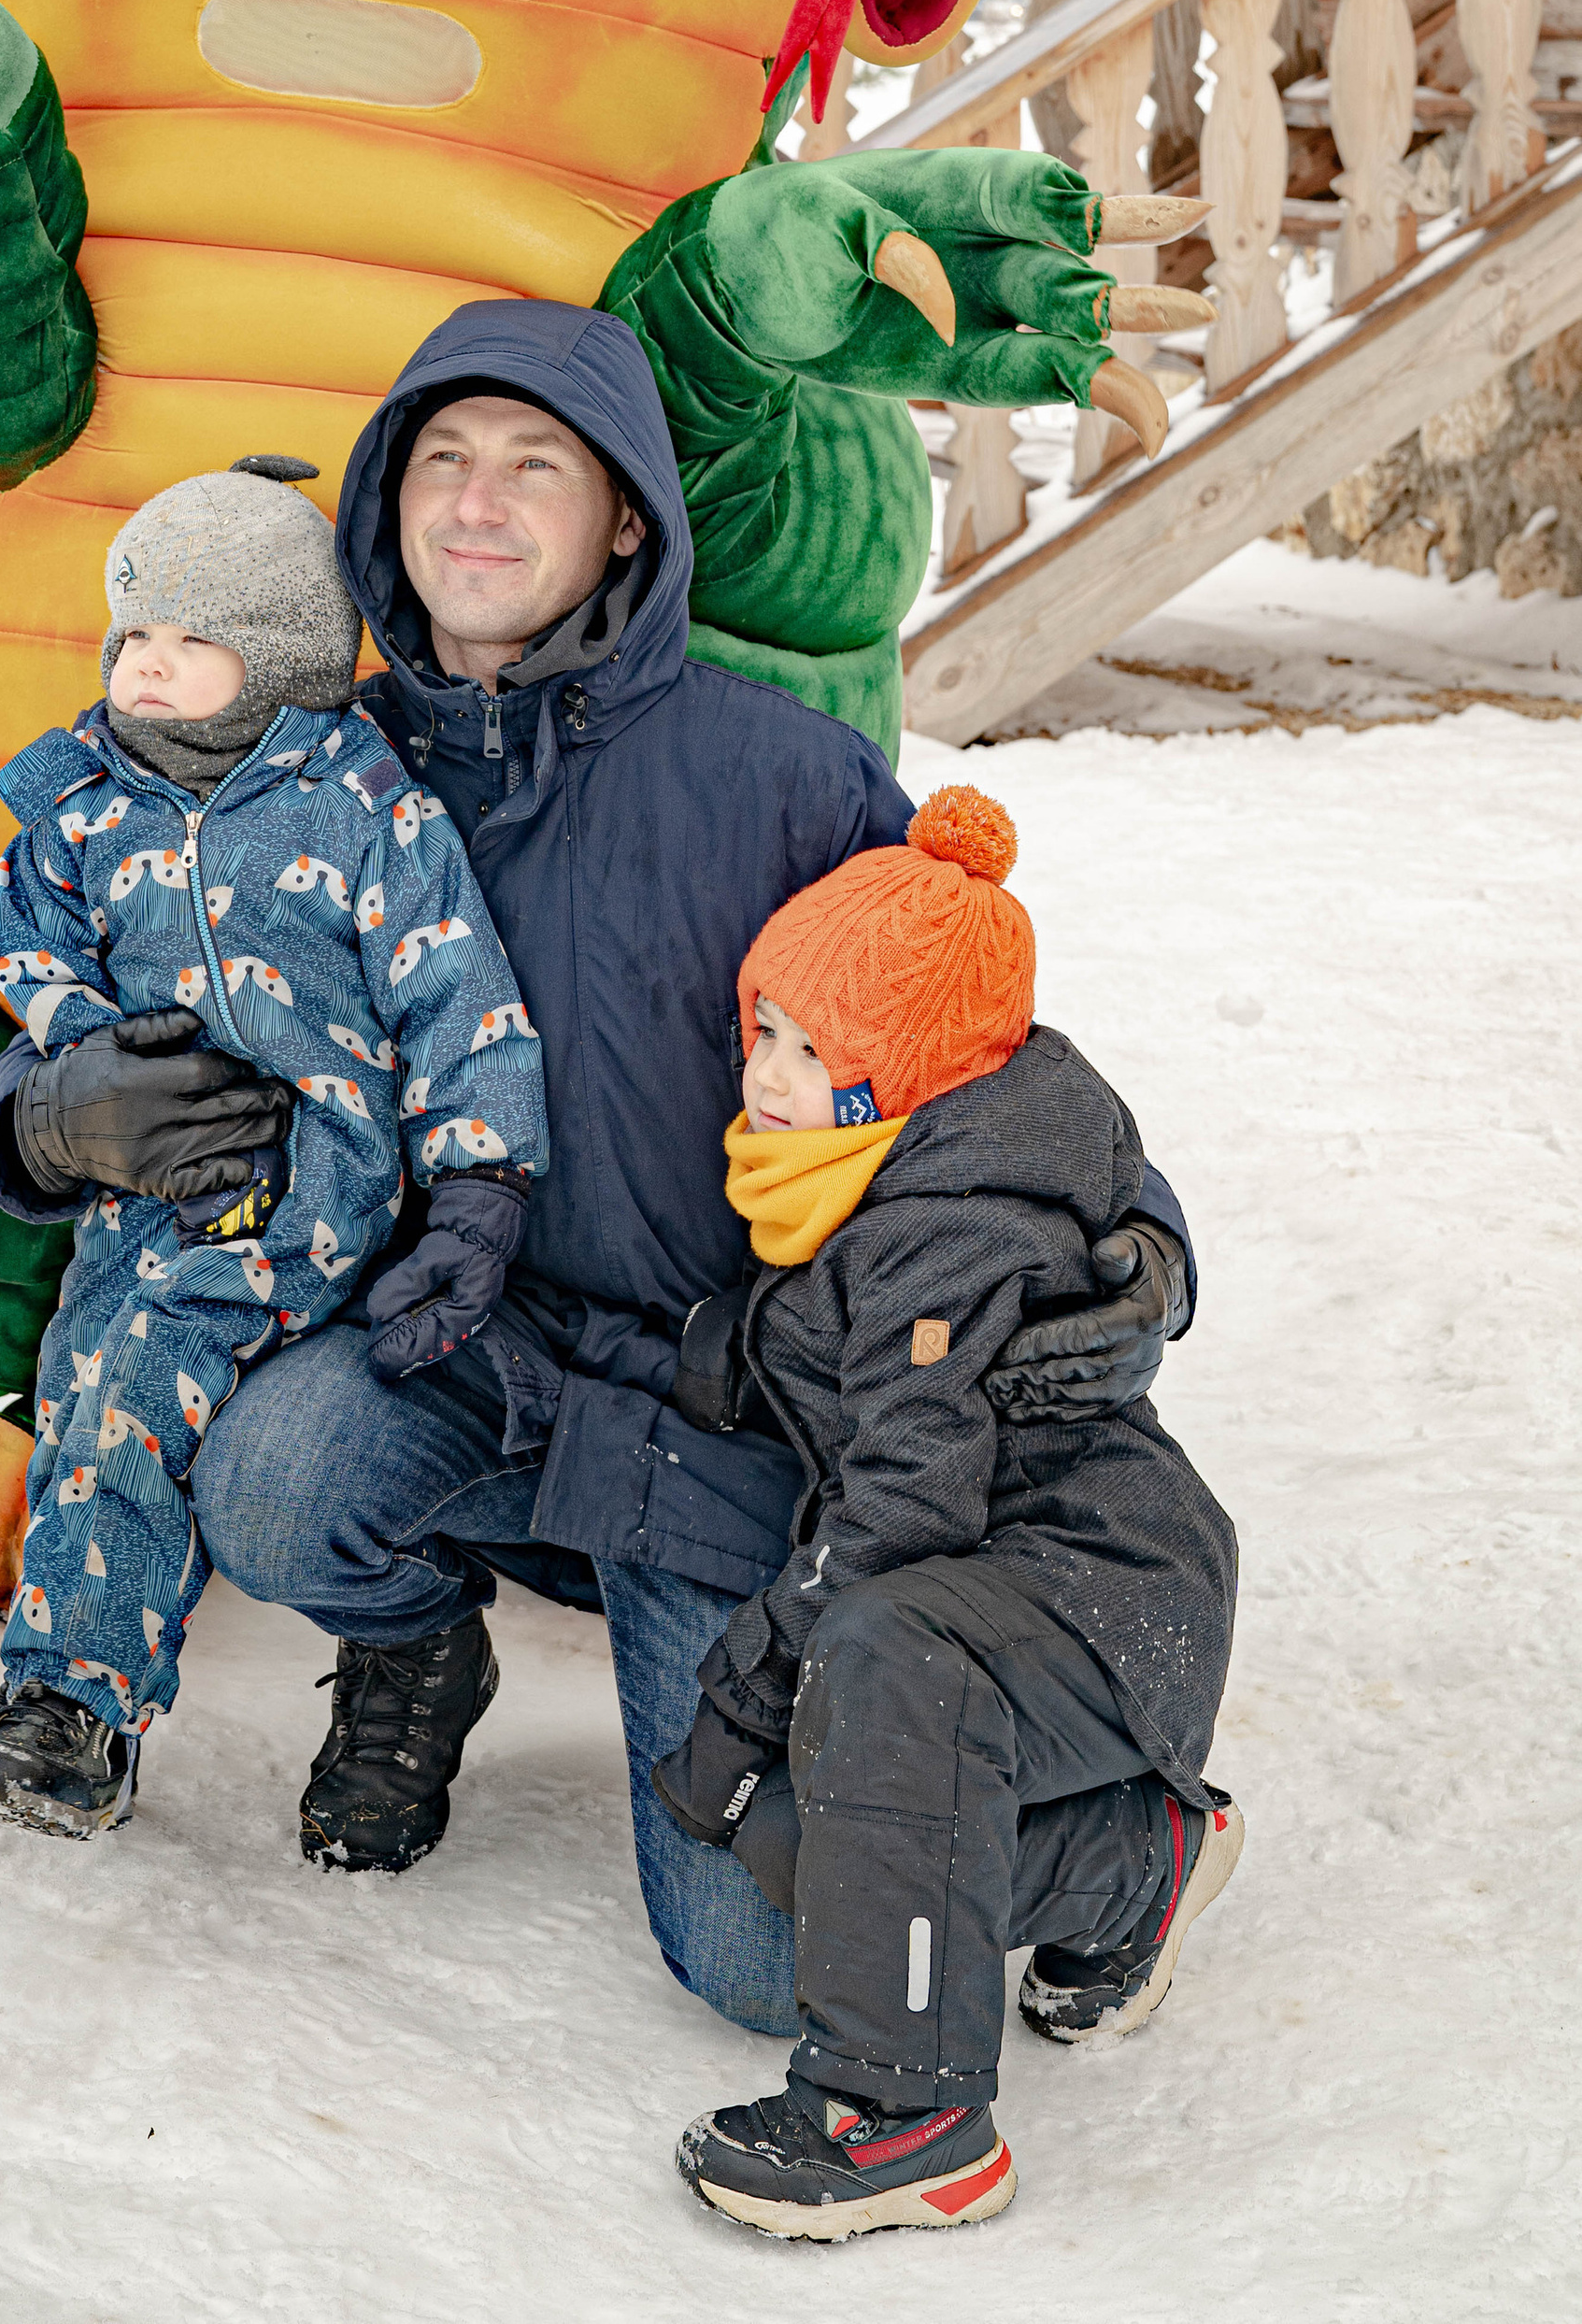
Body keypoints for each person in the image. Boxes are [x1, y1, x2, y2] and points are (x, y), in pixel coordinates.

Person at [0, 302, 1194, 2024]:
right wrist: (50, 1119)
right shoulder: (301, 763)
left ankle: (1129, 1857)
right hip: (467, 1350)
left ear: (625, 522)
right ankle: (411, 1643)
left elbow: (963, 1030)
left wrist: (1130, 1236)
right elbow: (123, 946)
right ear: (384, 506)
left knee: (761, 1966)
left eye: (538, 464)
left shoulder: (780, 776)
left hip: (729, 1416)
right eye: (442, 457)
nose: (478, 502)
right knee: (275, 1473)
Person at [0, 454, 549, 1839]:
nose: (146, 667)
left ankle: (77, 1716)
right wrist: (79, 1063)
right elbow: (30, 943)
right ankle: (46, 1682)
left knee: (142, 1387)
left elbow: (463, 1001)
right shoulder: (84, 800)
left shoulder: (365, 811)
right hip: (139, 1188)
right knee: (80, 1390)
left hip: (300, 1194)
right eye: (135, 634)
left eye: (191, 641)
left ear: (278, 660)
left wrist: (481, 1183)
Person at [656, 786, 1238, 2240]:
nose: (770, 1077)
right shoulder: (866, 1170)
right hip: (1001, 1594)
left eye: (812, 1051)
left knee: (881, 1652)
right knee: (806, 1838)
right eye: (764, 1034)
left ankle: (905, 2112)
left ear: (904, 1074)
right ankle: (1133, 1864)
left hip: (1101, 1583)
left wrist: (741, 1689)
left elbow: (901, 1512)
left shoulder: (944, 1225)